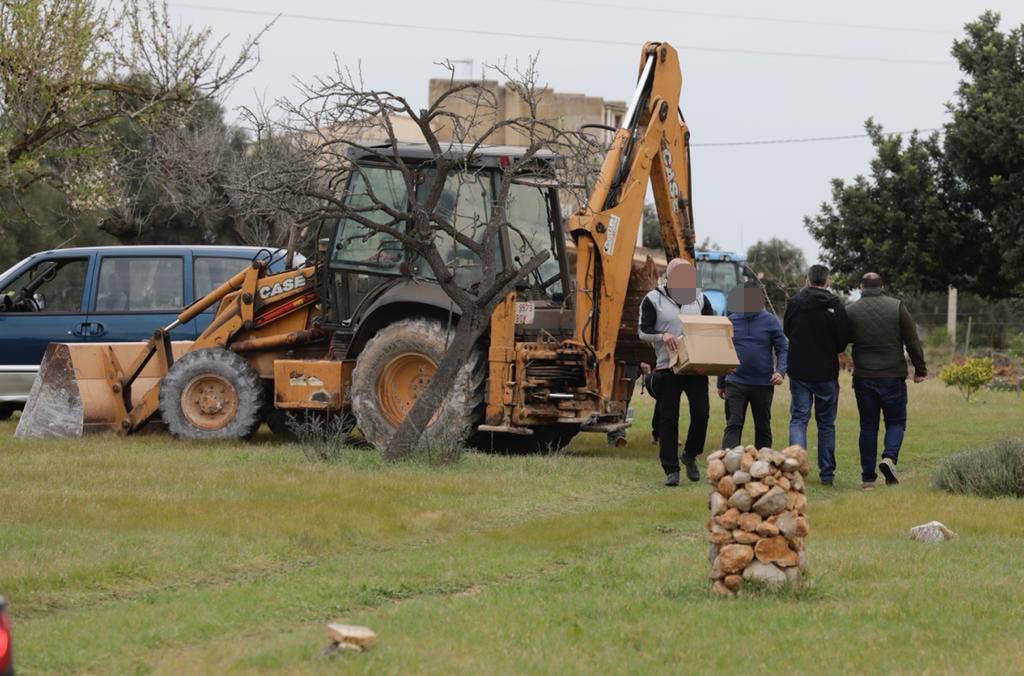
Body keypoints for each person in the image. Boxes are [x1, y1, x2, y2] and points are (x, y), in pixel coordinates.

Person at [845, 272, 927, 489]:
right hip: (892, 376)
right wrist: (920, 369)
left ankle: (867, 479)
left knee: (868, 426)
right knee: (896, 422)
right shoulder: (897, 307)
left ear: (861, 287)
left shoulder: (851, 310)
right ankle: (889, 458)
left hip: (864, 377)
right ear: (882, 286)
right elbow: (912, 341)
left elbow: (841, 339)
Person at [639, 258, 715, 486]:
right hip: (667, 367)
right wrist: (663, 335)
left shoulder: (700, 298)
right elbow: (642, 330)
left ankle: (690, 455)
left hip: (695, 366)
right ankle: (671, 470)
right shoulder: (653, 299)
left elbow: (712, 327)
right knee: (668, 418)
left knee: (701, 414)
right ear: (669, 277)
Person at [783, 264, 849, 486]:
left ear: (807, 281)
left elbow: (787, 331)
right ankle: (827, 474)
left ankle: (794, 468)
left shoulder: (794, 303)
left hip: (799, 370)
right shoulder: (835, 306)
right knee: (826, 423)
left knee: (799, 419)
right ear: (827, 282)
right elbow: (842, 340)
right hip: (826, 372)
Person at [717, 283, 788, 450]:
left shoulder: (771, 321)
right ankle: (728, 465)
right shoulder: (731, 321)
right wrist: (721, 382)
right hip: (735, 382)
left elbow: (783, 348)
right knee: (733, 423)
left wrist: (781, 371)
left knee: (763, 426)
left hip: (763, 383)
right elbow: (723, 351)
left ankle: (763, 467)